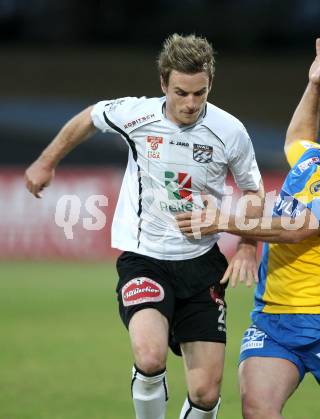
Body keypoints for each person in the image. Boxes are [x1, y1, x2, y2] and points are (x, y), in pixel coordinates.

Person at [24, 33, 264, 419]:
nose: (190, 103)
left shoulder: (230, 131)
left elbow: (254, 191)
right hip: (144, 259)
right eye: (181, 92)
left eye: (199, 93)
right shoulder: (137, 114)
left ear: (210, 86)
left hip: (202, 264)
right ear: (163, 83)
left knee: (205, 392)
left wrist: (250, 245)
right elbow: (89, 117)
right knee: (149, 356)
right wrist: (46, 160)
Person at [177, 34, 320, 419]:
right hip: (272, 320)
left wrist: (222, 221)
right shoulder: (311, 160)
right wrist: (315, 83)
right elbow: (299, 137)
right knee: (257, 410)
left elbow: (294, 229)